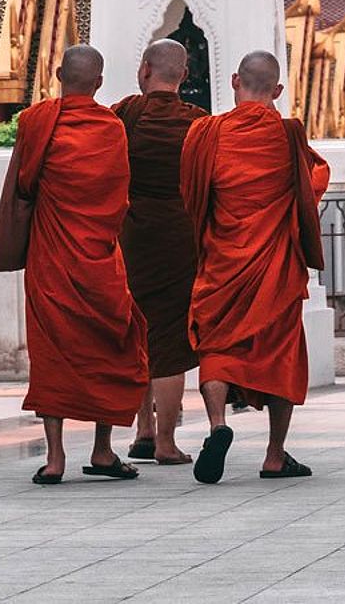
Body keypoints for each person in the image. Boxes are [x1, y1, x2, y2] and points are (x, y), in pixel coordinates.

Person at [180, 50, 330, 485]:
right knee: (280, 352)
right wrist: (287, 209)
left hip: (222, 262)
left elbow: (191, 195)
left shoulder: (206, 133)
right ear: (277, 91)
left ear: (233, 82)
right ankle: (274, 454)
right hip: (274, 265)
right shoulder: (287, 136)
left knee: (216, 345)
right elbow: (315, 178)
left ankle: (217, 426)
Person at [17, 44, 149, 484]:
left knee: (52, 354)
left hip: (51, 259)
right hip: (98, 260)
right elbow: (119, 198)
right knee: (109, 346)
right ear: (98, 82)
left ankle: (55, 459)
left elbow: (24, 182)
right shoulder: (110, 128)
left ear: (57, 74)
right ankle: (102, 449)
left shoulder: (36, 123)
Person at [112, 39, 207, 464]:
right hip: (179, 240)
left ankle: (143, 432)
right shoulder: (200, 125)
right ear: (184, 77)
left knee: (137, 333)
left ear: (144, 69)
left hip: (131, 238)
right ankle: (166, 441)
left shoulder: (124, 116)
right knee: (168, 340)